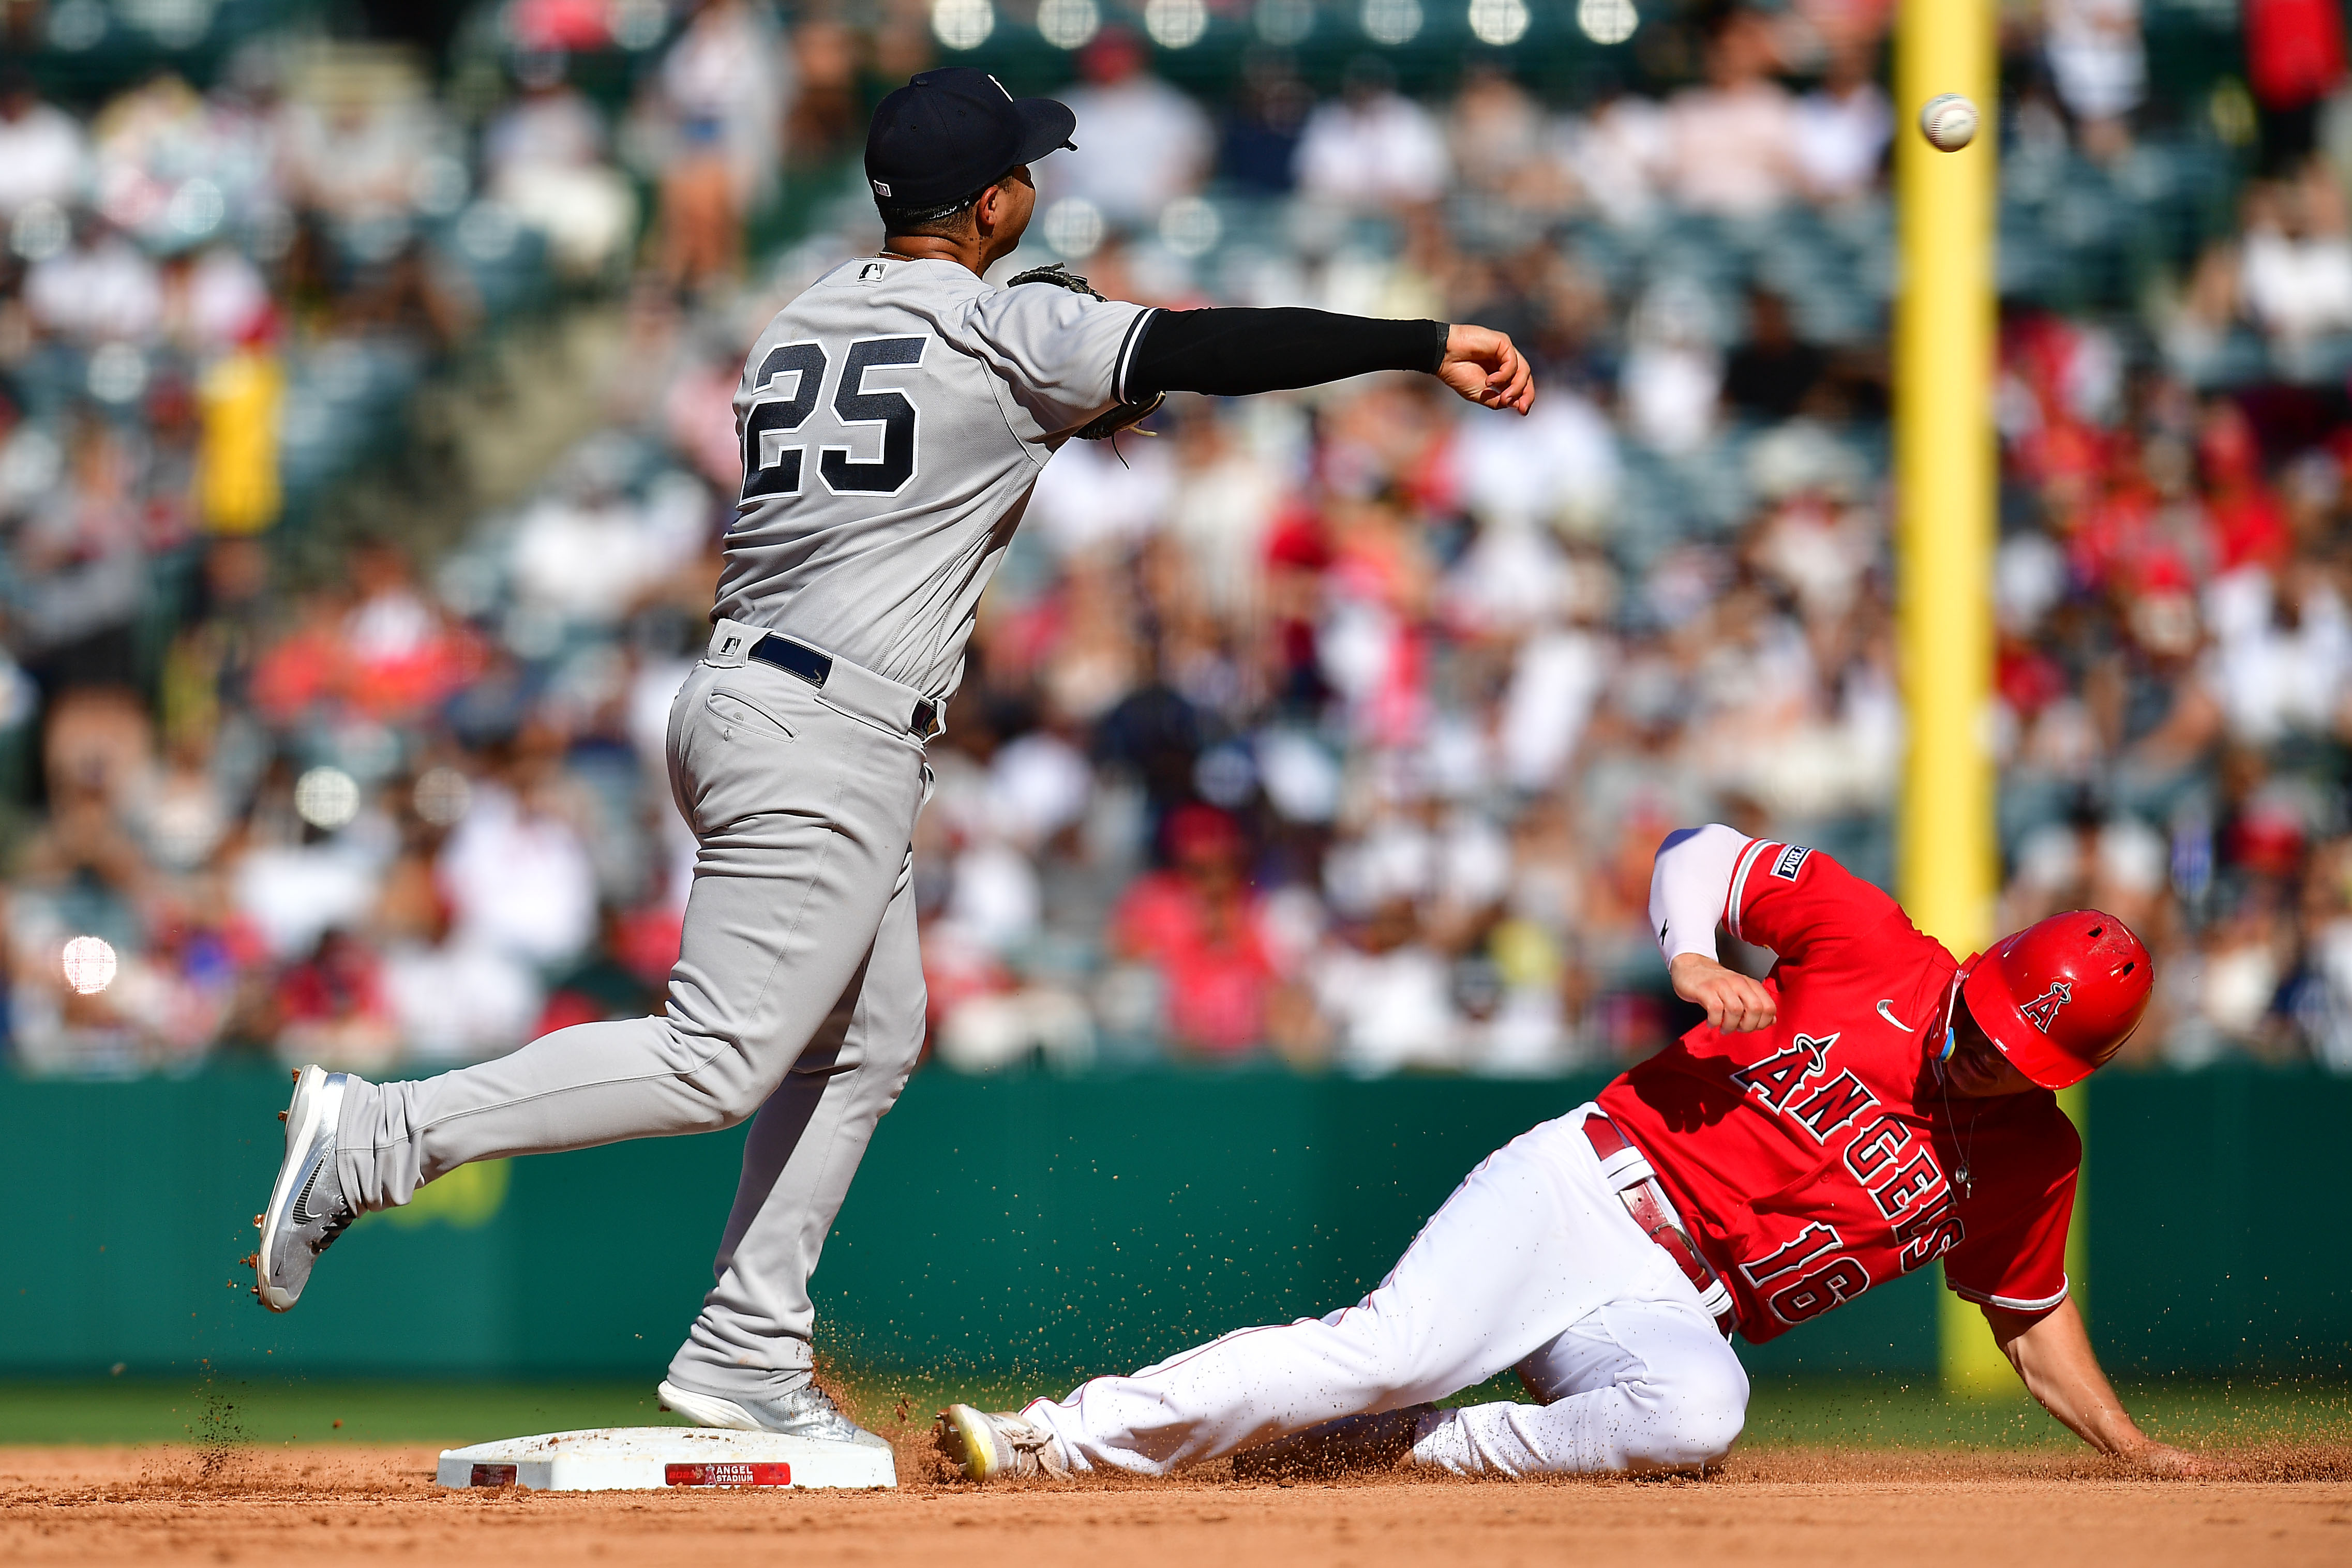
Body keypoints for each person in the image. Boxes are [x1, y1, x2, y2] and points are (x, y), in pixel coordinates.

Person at [250, 66, 1534, 1466]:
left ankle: (747, 1345)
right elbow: (1203, 348)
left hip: (753, 696)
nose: (1036, 183)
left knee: (869, 1035)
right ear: (990, 203)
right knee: (718, 1059)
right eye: (1023, 171)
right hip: (824, 729)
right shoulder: (1009, 327)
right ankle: (381, 1138)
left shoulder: (803, 315)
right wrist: (1420, 339)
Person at [934, 824, 2212, 1481]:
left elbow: (2031, 1319)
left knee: (1700, 1414)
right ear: (1984, 973)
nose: (1989, 1060)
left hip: (1678, 1306)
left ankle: (1418, 1447)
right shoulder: (1879, 947)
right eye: (1987, 1030)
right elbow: (1701, 852)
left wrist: (2136, 1450)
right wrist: (1694, 953)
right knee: (1387, 1350)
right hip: (1592, 1186)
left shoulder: (2029, 1155)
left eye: (2023, 1060)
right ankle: (1054, 1436)